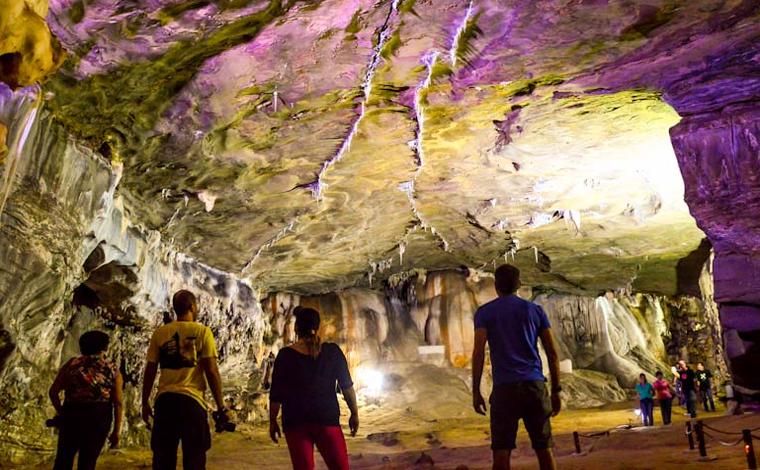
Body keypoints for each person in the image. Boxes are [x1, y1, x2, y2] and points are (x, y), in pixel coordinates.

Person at [472, 264, 561, 470]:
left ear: (496, 286)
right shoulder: (535, 311)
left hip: (505, 389)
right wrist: (556, 390)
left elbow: (478, 354)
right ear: (519, 284)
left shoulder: (485, 313)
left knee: (501, 453)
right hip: (534, 387)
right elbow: (552, 353)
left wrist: (476, 391)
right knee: (544, 450)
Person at [142, 290, 227, 470]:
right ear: (192, 307)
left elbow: (150, 369)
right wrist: (221, 406)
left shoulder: (160, 333)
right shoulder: (202, 331)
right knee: (195, 459)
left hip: (165, 402)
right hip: (192, 403)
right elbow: (211, 371)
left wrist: (145, 402)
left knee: (163, 460)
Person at [269, 306, 359, 470]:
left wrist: (272, 420)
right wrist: (354, 413)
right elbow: (347, 386)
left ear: (296, 328)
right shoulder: (332, 352)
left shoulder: (285, 356)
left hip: (295, 423)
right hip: (326, 419)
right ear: (318, 328)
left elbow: (276, 393)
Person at [49, 330, 124, 470]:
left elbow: (53, 392)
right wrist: (116, 431)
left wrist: (62, 412)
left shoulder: (72, 364)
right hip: (98, 418)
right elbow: (118, 402)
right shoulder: (112, 369)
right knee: (87, 462)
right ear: (105, 347)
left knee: (63, 460)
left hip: (72, 414)